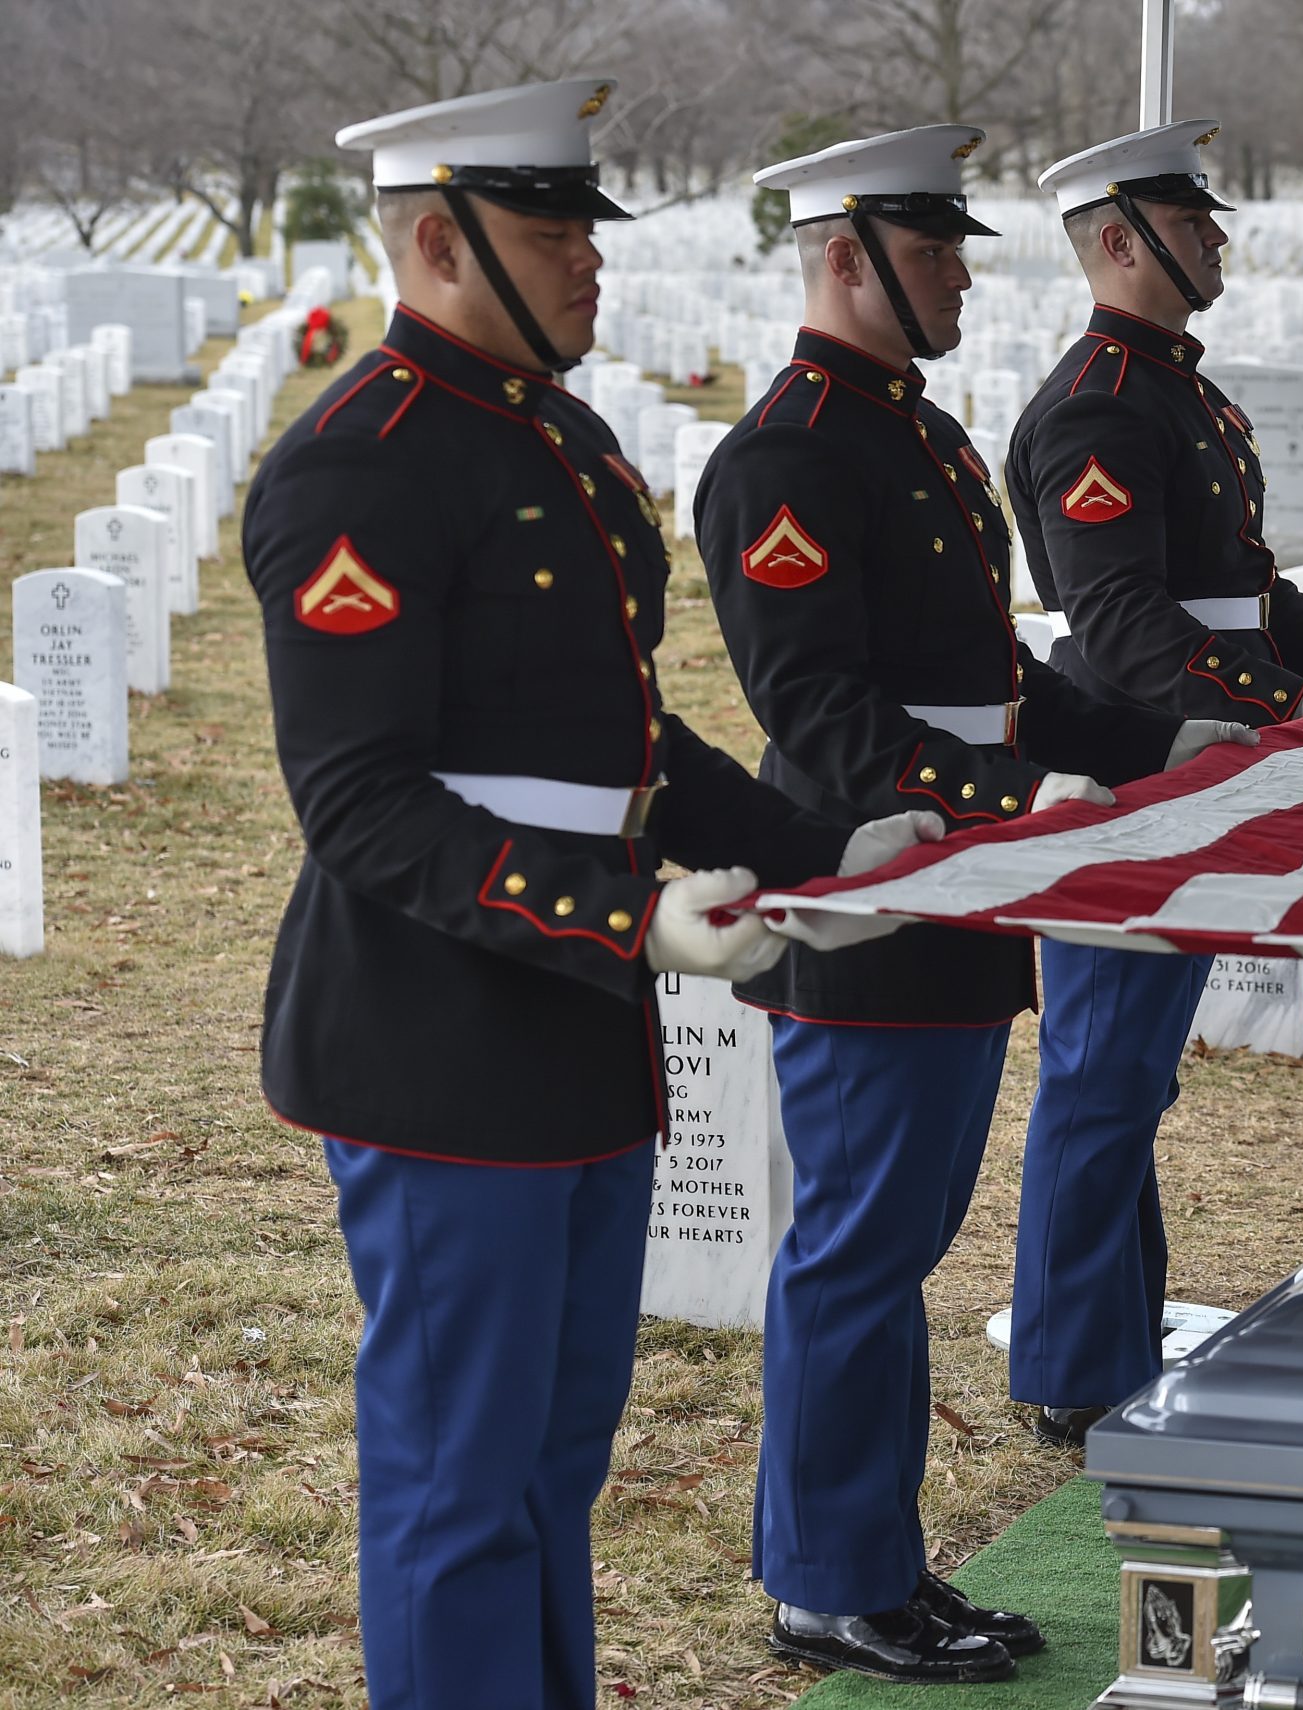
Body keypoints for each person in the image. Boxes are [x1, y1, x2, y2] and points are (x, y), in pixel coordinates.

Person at [244, 79, 926, 1710]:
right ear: (434, 237)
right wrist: (627, 917)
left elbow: (637, 742)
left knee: (554, 1461)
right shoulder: (362, 468)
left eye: (584, 227)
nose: (587, 261)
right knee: (458, 1478)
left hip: (573, 1046)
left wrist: (834, 852)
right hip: (440, 1041)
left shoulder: (557, 436)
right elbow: (360, 807)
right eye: (549, 230)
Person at [694, 125, 1251, 1683]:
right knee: (861, 1246)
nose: (955, 273)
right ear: (842, 257)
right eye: (931, 248)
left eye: (951, 246)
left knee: (906, 1236)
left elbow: (1002, 683)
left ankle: (880, 1558)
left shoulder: (917, 438)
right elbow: (821, 715)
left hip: (958, 893)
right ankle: (828, 1576)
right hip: (874, 895)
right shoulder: (790, 455)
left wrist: (1154, 743)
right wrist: (1020, 800)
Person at [1005, 119, 1303, 1444]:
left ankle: (1113, 1330)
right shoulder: (1100, 403)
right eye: (1191, 220)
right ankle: (1066, 1367)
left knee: (1133, 1073)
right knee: (1101, 1070)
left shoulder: (1181, 395)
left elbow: (1257, 600)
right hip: (1135, 764)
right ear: (1119, 241)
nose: (1218, 237)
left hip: (1194, 755)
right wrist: (1284, 713)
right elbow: (1123, 628)